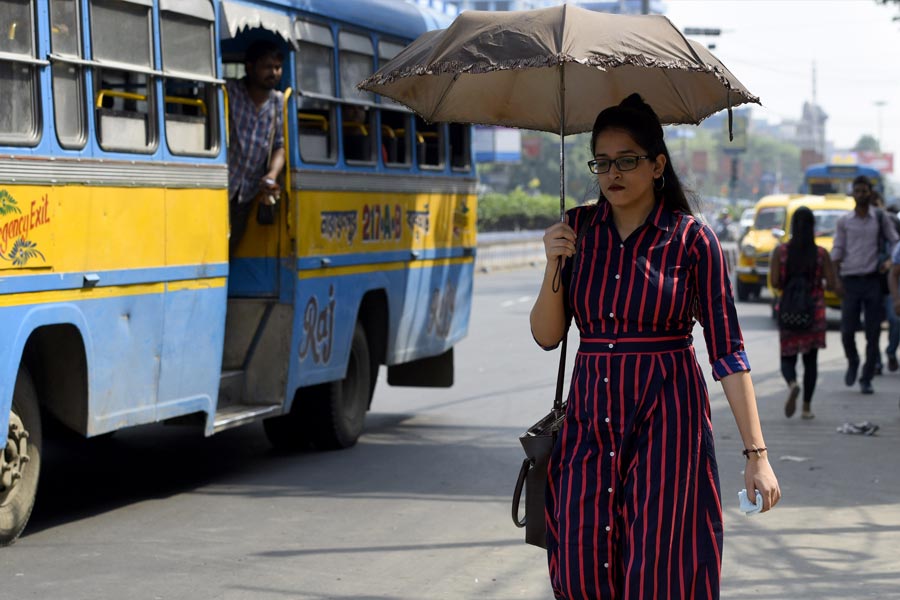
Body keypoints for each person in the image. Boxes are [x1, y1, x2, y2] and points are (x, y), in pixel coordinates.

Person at [529, 93, 780, 600]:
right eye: (602, 162)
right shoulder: (576, 231)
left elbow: (728, 352)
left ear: (657, 164)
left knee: (661, 568)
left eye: (627, 160)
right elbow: (548, 335)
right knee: (580, 566)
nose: (612, 173)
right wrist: (553, 264)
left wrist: (757, 454)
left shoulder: (692, 240)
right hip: (589, 423)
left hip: (669, 423)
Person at [770, 206, 840, 419]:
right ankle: (807, 408)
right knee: (811, 361)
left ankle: (792, 384)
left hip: (789, 310)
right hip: (814, 312)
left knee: (787, 356)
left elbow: (774, 282)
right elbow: (831, 284)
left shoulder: (781, 252)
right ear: (813, 227)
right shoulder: (820, 254)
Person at [831, 175, 898, 394]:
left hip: (872, 281)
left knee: (873, 332)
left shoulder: (880, 218)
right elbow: (837, 252)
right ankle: (853, 361)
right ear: (853, 194)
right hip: (850, 281)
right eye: (857, 191)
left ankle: (867, 377)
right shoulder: (844, 221)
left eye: (864, 191)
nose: (860, 195)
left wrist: (889, 260)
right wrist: (835, 279)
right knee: (847, 331)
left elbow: (895, 241)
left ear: (870, 193)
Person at [226, 40, 286, 254]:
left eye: (277, 67)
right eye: (267, 67)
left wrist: (271, 174)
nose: (274, 72)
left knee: (231, 247)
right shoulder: (230, 91)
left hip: (248, 193)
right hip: (223, 185)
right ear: (250, 67)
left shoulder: (279, 102)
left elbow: (280, 146)